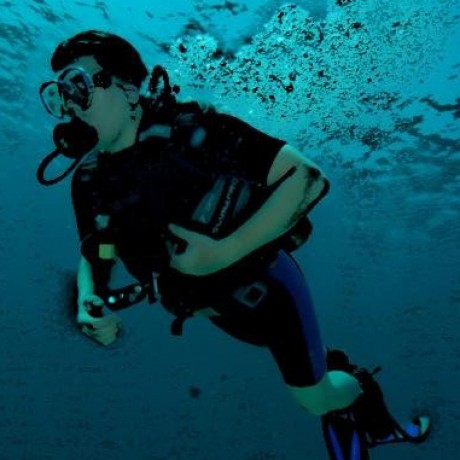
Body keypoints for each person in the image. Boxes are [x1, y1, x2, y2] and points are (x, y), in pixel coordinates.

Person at [38, 30, 430, 459]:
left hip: (269, 293)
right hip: (213, 310)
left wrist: (221, 252)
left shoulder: (196, 132)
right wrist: (89, 298)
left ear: (129, 89)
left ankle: (360, 394)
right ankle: (335, 380)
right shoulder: (90, 181)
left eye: (77, 86)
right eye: (59, 95)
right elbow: (97, 249)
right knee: (309, 372)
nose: (69, 104)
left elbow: (307, 178)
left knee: (313, 398)